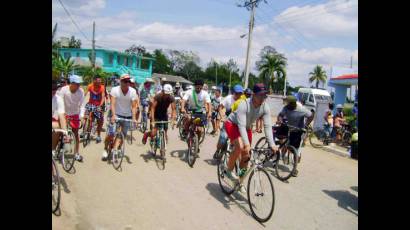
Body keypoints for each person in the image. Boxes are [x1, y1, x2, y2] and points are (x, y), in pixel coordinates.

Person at [223, 83, 276, 189]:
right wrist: (246, 144)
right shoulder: (244, 104)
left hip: (246, 128)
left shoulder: (265, 107)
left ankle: (240, 180)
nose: (263, 98)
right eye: (260, 95)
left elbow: (267, 126)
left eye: (264, 95)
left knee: (246, 156)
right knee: (241, 146)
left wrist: (272, 144)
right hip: (233, 124)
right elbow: (241, 126)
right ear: (253, 95)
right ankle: (228, 170)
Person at [102, 74, 139, 161]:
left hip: (127, 115)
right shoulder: (115, 90)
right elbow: (112, 104)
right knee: (111, 133)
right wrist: (114, 115)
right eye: (125, 81)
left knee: (123, 135)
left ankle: (116, 148)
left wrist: (134, 118)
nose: (127, 83)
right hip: (116, 114)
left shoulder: (133, 91)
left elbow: (134, 106)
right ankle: (105, 149)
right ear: (120, 81)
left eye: (128, 81)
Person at [277, 95, 314, 176]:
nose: (286, 104)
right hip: (288, 127)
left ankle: (294, 168)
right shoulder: (286, 108)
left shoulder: (301, 110)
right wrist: (279, 120)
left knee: (295, 150)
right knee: (281, 138)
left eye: (288, 103)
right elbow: (280, 115)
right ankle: (281, 152)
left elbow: (311, 115)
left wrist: (306, 125)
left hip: (298, 131)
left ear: (292, 103)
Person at [212, 85, 245, 160]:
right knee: (223, 138)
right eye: (237, 93)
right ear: (233, 92)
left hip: (238, 123)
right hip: (228, 120)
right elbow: (220, 107)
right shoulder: (228, 98)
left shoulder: (243, 100)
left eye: (240, 93)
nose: (238, 95)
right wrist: (222, 116)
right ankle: (217, 150)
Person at [57, 75, 85, 162]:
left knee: (76, 133)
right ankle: (57, 148)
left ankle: (76, 153)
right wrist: (63, 114)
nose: (79, 86)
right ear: (71, 83)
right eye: (77, 84)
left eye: (79, 84)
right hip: (63, 113)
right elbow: (60, 102)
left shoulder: (81, 91)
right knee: (60, 132)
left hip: (74, 114)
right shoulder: (64, 90)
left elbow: (82, 105)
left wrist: (82, 116)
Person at [82, 75, 105, 143]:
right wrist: (80, 101)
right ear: (94, 80)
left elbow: (103, 97)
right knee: (85, 117)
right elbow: (85, 94)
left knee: (100, 120)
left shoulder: (102, 87)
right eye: (98, 81)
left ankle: (98, 135)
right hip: (90, 104)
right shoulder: (90, 86)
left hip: (98, 105)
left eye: (100, 81)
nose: (99, 82)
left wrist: (100, 106)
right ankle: (84, 131)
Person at [52, 80, 67, 154]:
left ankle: (53, 149)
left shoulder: (58, 99)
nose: (53, 91)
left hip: (53, 119)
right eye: (52, 89)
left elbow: (61, 115)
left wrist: (65, 131)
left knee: (57, 127)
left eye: (55, 89)